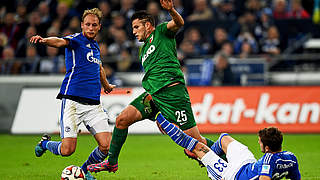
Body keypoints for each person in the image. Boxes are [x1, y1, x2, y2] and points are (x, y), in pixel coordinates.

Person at [87, 0, 216, 173]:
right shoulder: (143, 50)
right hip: (153, 96)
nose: (133, 32)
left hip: (173, 93)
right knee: (122, 120)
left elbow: (179, 23)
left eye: (136, 27)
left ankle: (226, 155)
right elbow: (153, 76)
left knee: (194, 143)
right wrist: (154, 107)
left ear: (148, 25)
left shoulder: (162, 32)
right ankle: (112, 162)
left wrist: (171, 10)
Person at [29, 8, 115, 180]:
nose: (91, 28)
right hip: (73, 102)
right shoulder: (76, 40)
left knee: (106, 146)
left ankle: (85, 171)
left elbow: (98, 68)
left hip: (93, 104)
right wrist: (45, 40)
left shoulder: (95, 46)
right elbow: (60, 42)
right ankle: (45, 144)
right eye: (88, 24)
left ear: (99, 27)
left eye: (94, 25)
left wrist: (106, 85)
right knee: (68, 150)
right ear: (82, 25)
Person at [154, 112, 301, 180]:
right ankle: (209, 156)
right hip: (246, 162)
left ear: (267, 148)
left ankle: (159, 117)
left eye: (260, 141)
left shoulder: (268, 159)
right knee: (225, 138)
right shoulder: (291, 157)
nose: (258, 142)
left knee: (195, 147)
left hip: (231, 175)